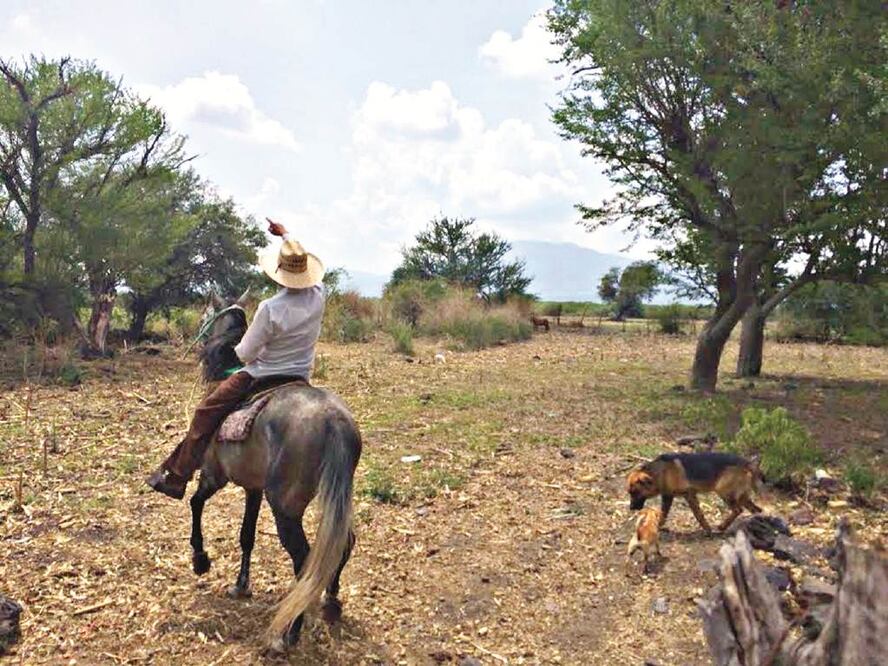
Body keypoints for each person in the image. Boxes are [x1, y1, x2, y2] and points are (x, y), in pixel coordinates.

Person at [146, 219, 326, 499]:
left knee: (205, 412)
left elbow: (245, 354)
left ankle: (177, 476)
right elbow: (298, 258)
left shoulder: (270, 308)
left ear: (277, 272)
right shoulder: (319, 294)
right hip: (301, 376)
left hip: (261, 375)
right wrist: (285, 235)